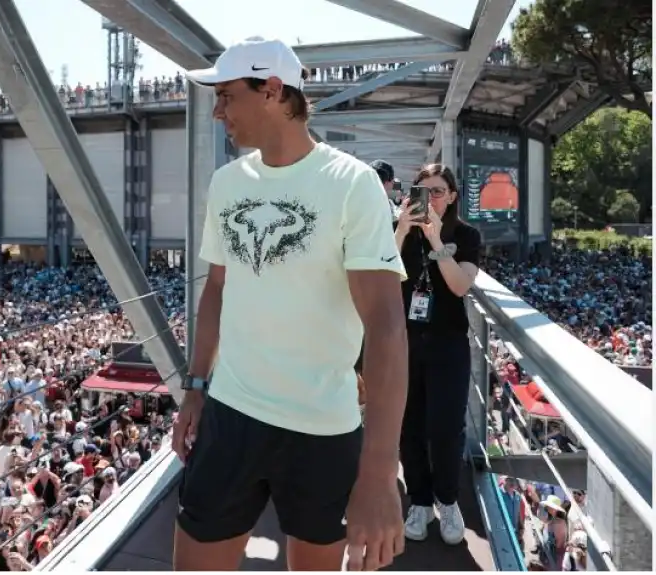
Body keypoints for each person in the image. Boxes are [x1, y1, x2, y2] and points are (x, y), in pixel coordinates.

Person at [173, 36, 409, 572]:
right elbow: (216, 290)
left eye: (227, 95)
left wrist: (377, 474)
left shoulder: (353, 184)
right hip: (230, 418)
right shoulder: (227, 183)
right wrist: (194, 387)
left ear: (273, 90)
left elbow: (387, 324)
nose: (217, 112)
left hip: (323, 430)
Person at [393, 163, 481, 545]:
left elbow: (460, 286)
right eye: (422, 191)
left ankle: (447, 500)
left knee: (445, 430)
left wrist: (435, 241)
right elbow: (382, 274)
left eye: (438, 192)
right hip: (406, 342)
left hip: (448, 343)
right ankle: (420, 501)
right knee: (408, 426)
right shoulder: (402, 234)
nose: (429, 200)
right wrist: (400, 228)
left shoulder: (467, 234)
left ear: (453, 195)